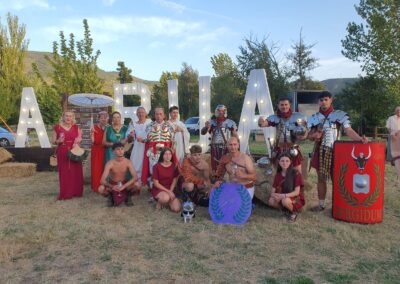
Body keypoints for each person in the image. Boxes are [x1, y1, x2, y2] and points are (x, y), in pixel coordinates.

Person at [308, 91, 368, 211]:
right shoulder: (314, 118)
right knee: (321, 178)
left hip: (336, 151)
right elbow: (309, 136)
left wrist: (360, 139)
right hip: (321, 151)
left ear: (331, 100)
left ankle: (339, 204)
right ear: (318, 102)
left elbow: (348, 130)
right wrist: (315, 135)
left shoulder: (339, 115)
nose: (323, 102)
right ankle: (321, 205)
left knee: (338, 178)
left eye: (326, 99)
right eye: (321, 100)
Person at [258, 97, 307, 172]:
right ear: (278, 105)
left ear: (289, 105)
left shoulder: (297, 116)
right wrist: (260, 121)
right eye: (282, 105)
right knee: (279, 173)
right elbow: (264, 124)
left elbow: (305, 131)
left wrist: (303, 136)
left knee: (297, 174)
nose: (284, 107)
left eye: (286, 104)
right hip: (279, 148)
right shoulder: (274, 117)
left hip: (293, 149)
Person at [52, 111, 83, 200]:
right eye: (66, 116)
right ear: (63, 117)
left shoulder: (76, 127)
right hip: (62, 151)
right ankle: (66, 193)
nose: (68, 118)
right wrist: (58, 141)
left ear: (73, 118)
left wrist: (78, 140)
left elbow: (80, 138)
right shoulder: (57, 127)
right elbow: (53, 141)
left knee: (76, 171)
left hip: (75, 150)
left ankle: (76, 192)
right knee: (65, 172)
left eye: (70, 116)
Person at [98, 142, 140, 207]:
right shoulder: (110, 163)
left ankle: (128, 196)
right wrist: (112, 186)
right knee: (101, 189)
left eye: (122, 149)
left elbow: (135, 177)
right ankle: (110, 197)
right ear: (113, 151)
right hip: (113, 184)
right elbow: (102, 181)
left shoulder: (128, 162)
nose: (120, 151)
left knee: (137, 185)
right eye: (118, 149)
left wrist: (124, 186)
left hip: (124, 184)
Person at [141, 107, 175, 185]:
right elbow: (146, 139)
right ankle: (154, 188)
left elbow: (173, 140)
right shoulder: (149, 126)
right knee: (153, 169)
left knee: (165, 168)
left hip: (166, 151)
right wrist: (143, 140)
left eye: (160, 114)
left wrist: (172, 149)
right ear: (154, 115)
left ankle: (165, 185)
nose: (158, 116)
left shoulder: (169, 126)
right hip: (153, 151)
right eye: (157, 114)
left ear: (164, 115)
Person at [201, 104, 238, 175]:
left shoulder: (231, 122)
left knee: (227, 164)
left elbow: (235, 135)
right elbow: (203, 132)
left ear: (225, 112)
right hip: (214, 147)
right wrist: (206, 127)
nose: (221, 112)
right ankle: (217, 181)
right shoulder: (211, 122)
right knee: (215, 165)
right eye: (219, 111)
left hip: (226, 147)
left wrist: (237, 146)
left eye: (222, 111)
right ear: (216, 112)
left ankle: (226, 180)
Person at [268, 153, 305, 222]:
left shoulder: (296, 173)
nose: (284, 163)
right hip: (282, 196)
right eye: (282, 161)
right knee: (271, 201)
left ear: (290, 162)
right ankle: (286, 210)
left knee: (285, 201)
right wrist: (276, 196)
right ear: (279, 162)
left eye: (287, 161)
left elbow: (297, 192)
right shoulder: (278, 175)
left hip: (295, 197)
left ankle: (294, 212)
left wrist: (283, 196)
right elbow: (272, 192)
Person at [151, 147, 181, 212]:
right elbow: (156, 183)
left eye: (170, 154)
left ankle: (167, 202)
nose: (168, 156)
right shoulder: (156, 166)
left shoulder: (174, 166)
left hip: (170, 188)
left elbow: (174, 180)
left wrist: (171, 191)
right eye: (166, 154)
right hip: (159, 188)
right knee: (165, 198)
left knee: (176, 209)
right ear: (162, 155)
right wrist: (168, 192)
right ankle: (159, 203)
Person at [126, 107, 152, 181]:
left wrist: (145, 140)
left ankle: (146, 179)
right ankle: (136, 179)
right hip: (137, 147)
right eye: (139, 112)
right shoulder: (133, 123)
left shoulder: (150, 122)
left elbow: (153, 134)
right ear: (136, 114)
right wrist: (131, 135)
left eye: (142, 112)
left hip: (147, 146)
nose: (141, 114)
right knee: (135, 162)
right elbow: (129, 139)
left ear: (146, 113)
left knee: (148, 163)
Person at [90, 111, 109, 192]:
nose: (104, 119)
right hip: (97, 150)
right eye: (102, 118)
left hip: (107, 150)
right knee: (96, 168)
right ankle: (97, 186)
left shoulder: (109, 128)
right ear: (98, 119)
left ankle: (106, 186)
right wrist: (91, 135)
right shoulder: (93, 127)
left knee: (105, 168)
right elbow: (93, 141)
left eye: (105, 117)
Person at [386, 106, 400, 180]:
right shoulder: (391, 118)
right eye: (398, 111)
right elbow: (388, 127)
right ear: (396, 111)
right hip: (393, 134)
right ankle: (391, 160)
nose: (399, 112)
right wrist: (392, 134)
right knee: (391, 148)